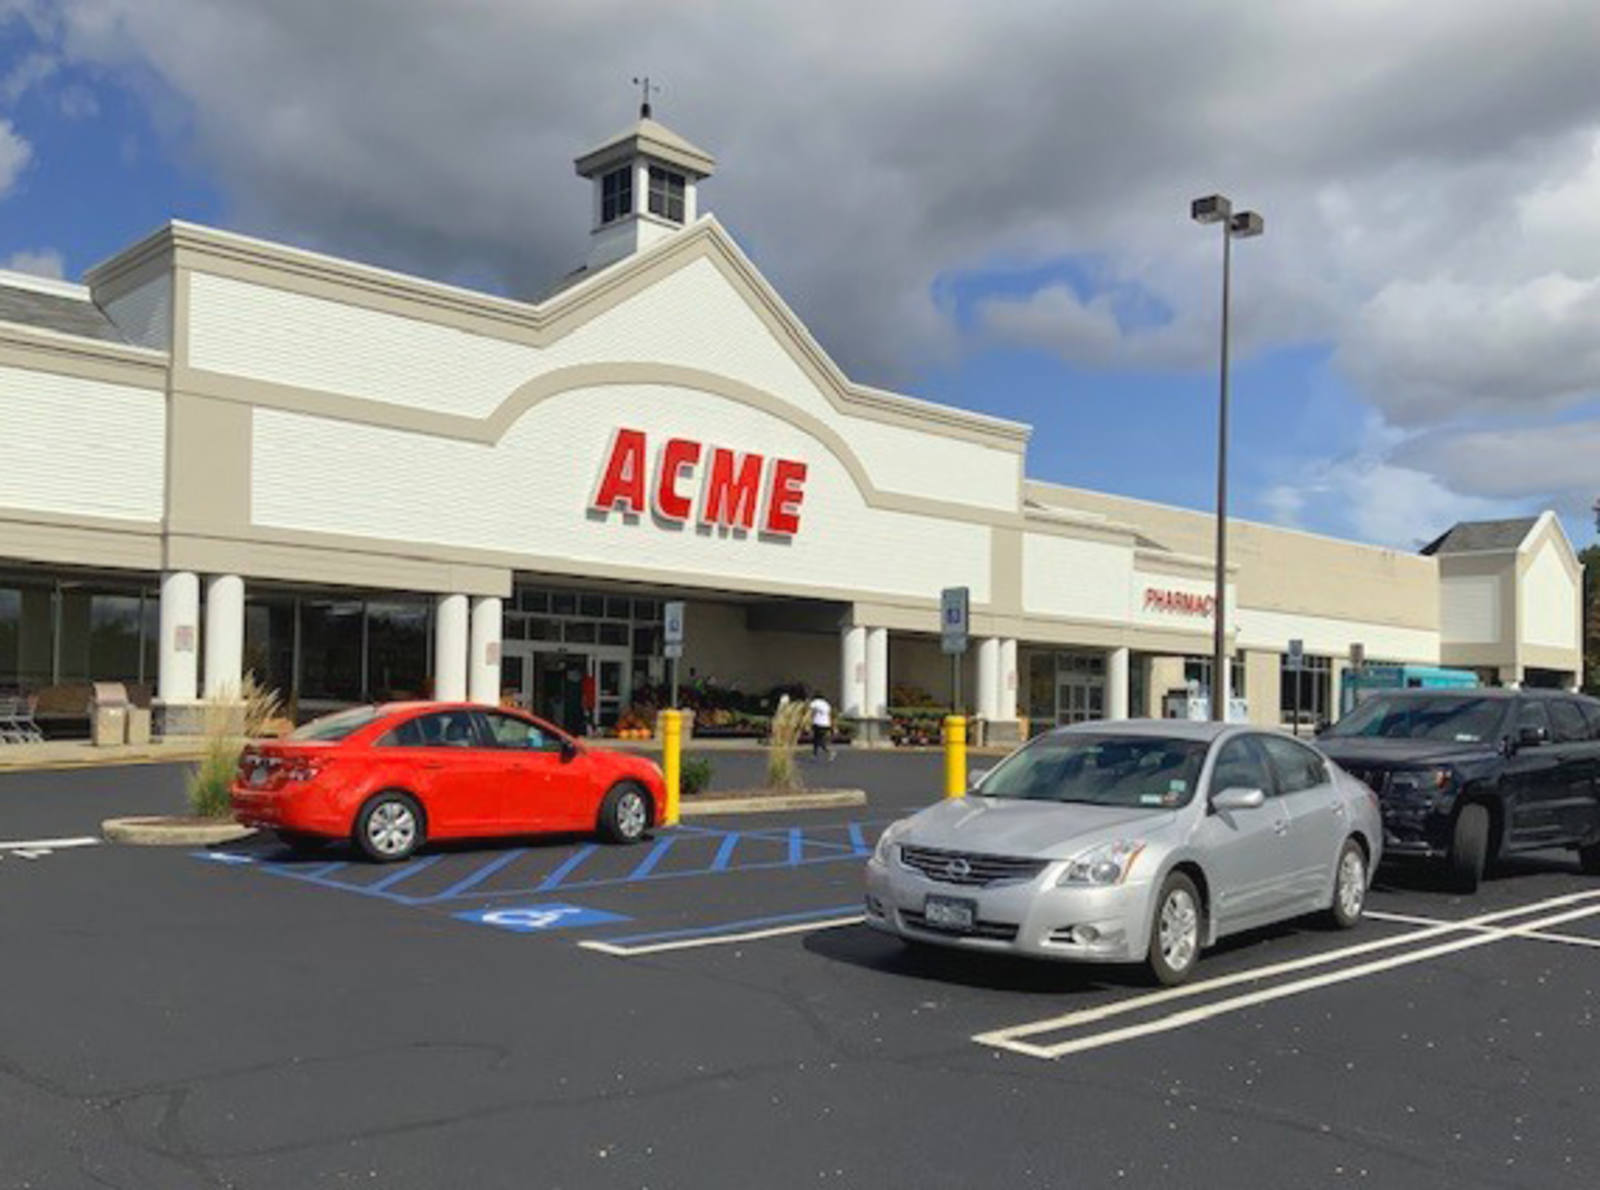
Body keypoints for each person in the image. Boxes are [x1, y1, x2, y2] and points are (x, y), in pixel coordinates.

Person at [807, 690, 834, 760]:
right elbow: (829, 714)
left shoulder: (815, 702)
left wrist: (809, 721)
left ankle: (829, 752)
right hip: (826, 723)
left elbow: (810, 710)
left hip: (818, 723)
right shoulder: (826, 704)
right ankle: (814, 754)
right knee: (817, 739)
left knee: (818, 740)